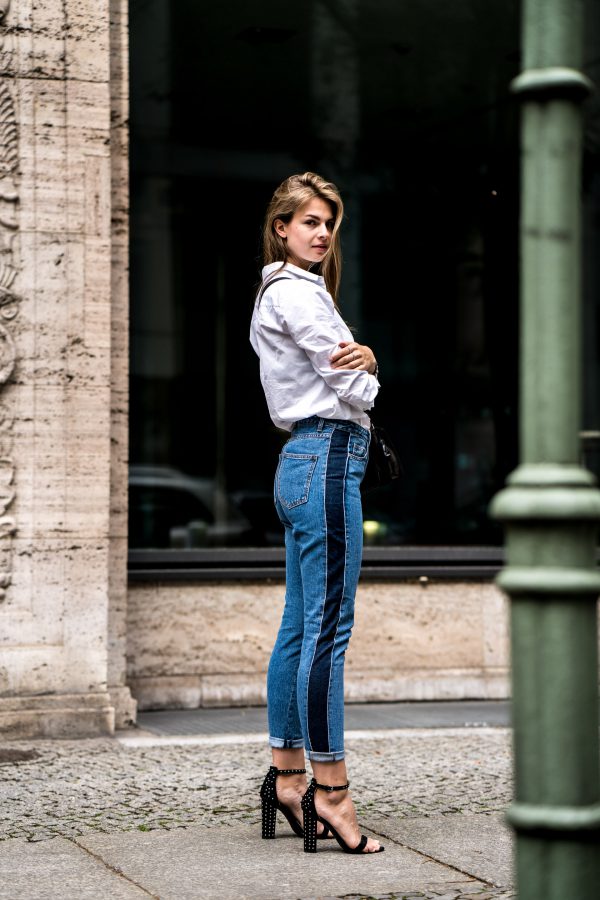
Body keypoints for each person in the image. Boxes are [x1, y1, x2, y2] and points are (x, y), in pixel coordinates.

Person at [250, 172, 384, 855]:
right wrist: (371, 368)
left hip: (303, 463)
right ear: (281, 228)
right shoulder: (299, 295)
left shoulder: (282, 292)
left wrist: (359, 363)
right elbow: (353, 384)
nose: (322, 231)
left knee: (300, 629)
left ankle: (289, 777)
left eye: (329, 221)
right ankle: (331, 793)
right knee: (327, 631)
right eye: (308, 221)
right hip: (327, 459)